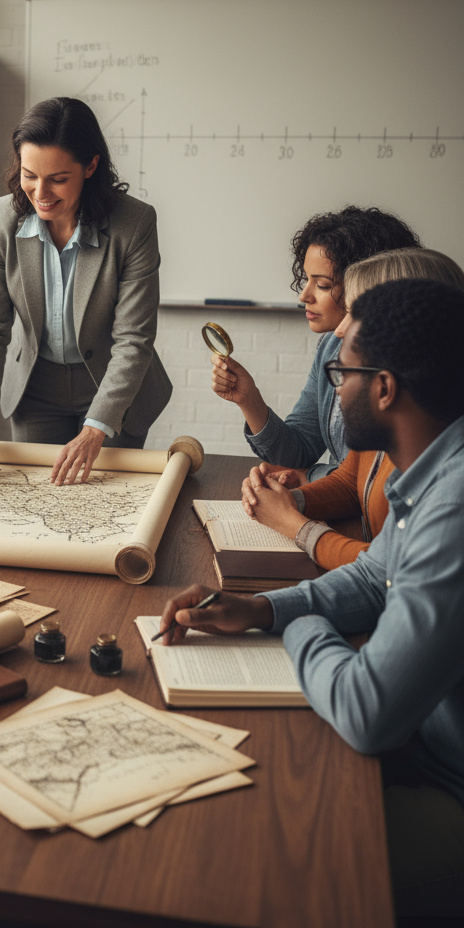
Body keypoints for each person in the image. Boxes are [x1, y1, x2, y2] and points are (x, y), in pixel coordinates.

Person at [161, 278, 464, 918]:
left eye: (341, 371)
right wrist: (260, 609)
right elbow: (371, 576)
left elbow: (367, 710)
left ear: (384, 389)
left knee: (251, 861)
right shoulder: (435, 466)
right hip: (424, 745)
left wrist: (295, 632)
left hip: (447, 785)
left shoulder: (455, 506)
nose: (334, 387)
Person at [0, 96, 172, 486]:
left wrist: (96, 429)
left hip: (112, 383)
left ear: (90, 166)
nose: (40, 192)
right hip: (35, 386)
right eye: (29, 175)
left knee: (103, 501)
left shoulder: (135, 223)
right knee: (38, 498)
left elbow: (133, 339)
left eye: (58, 179)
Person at [240, 249, 464, 570]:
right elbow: (351, 481)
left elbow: (386, 572)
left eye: (356, 313)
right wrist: (293, 500)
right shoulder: (387, 420)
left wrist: (294, 524)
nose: (341, 329)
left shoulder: (439, 465)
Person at [210, 206, 421, 481]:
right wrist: (249, 399)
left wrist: (308, 477)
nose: (304, 295)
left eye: (322, 285)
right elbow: (299, 450)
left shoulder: (403, 364)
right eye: (306, 279)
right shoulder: (329, 347)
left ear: (368, 284)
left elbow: (372, 482)